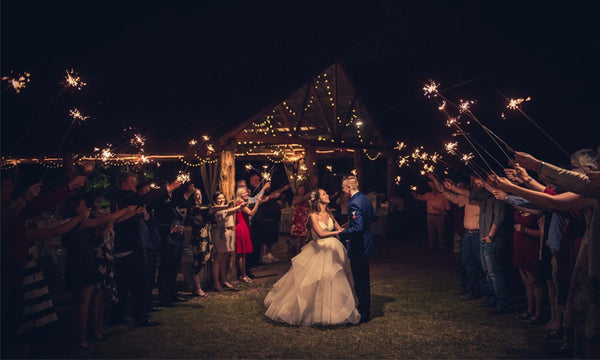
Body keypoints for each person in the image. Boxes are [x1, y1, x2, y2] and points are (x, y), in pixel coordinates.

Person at [264, 188, 360, 325]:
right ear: (318, 199)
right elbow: (320, 234)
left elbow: (339, 229)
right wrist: (337, 233)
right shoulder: (313, 216)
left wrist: (350, 228)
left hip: (333, 249)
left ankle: (334, 311)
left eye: (326, 193)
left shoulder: (330, 214)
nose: (327, 195)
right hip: (319, 250)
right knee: (315, 280)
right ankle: (311, 311)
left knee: (334, 278)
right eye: (324, 194)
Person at [338, 175, 377, 323]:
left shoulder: (353, 203)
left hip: (358, 246)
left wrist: (342, 234)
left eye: (343, 187)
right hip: (367, 243)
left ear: (349, 188)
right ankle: (365, 310)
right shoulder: (365, 199)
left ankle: (363, 313)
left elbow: (358, 228)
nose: (342, 190)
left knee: (360, 280)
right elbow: (374, 216)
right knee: (364, 279)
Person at [210, 192, 245, 292]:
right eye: (219, 198)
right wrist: (238, 208)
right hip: (220, 233)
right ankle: (216, 282)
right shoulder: (215, 209)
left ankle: (223, 279)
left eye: (223, 198)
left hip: (229, 232)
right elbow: (229, 212)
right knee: (218, 257)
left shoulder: (225, 208)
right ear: (215, 200)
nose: (221, 200)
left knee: (225, 257)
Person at [185, 189, 211, 297]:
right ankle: (197, 288)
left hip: (205, 236)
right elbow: (207, 210)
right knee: (198, 261)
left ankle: (198, 285)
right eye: (196, 195)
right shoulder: (193, 208)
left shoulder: (202, 208)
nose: (198, 197)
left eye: (200, 194)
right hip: (197, 238)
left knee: (204, 258)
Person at [412, 179, 451, 250]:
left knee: (441, 231)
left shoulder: (443, 196)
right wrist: (415, 195)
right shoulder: (428, 195)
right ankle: (432, 245)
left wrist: (441, 211)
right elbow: (421, 197)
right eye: (433, 187)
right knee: (431, 231)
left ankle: (442, 245)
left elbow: (448, 208)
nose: (434, 189)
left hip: (439, 216)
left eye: (435, 187)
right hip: (430, 216)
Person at [235, 187, 261, 282]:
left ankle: (243, 274)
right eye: (244, 193)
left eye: (246, 192)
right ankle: (243, 275)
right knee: (242, 253)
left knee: (243, 254)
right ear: (239, 195)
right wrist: (257, 202)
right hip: (242, 228)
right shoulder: (241, 204)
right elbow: (252, 213)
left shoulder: (243, 203)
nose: (246, 194)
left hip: (244, 227)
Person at [289, 184, 311, 255]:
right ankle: (297, 253)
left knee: (304, 239)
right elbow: (300, 200)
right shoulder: (296, 198)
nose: (302, 191)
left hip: (304, 220)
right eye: (300, 189)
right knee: (298, 239)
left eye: (303, 190)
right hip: (298, 221)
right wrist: (312, 192)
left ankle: (303, 254)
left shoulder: (307, 200)